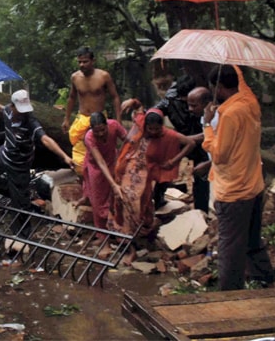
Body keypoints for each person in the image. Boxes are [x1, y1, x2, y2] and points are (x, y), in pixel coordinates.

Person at [202, 65, 275, 291]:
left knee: (230, 249)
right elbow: (239, 80)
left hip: (234, 191)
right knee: (252, 240)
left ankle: (229, 294)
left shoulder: (231, 114)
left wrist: (207, 125)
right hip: (253, 185)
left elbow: (220, 155)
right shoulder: (250, 102)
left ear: (219, 87)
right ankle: (264, 279)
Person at [110, 100, 195, 264]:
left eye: (157, 129)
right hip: (126, 168)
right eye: (151, 129)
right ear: (146, 126)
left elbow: (190, 143)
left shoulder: (168, 135)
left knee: (138, 204)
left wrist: (173, 161)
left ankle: (136, 238)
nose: (154, 132)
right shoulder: (141, 123)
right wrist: (132, 102)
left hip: (145, 174)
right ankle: (127, 242)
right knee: (122, 200)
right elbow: (138, 108)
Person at [0, 89, 75, 237]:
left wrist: (64, 156)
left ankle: (22, 237)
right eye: (20, 109)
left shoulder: (31, 121)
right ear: (12, 106)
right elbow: (0, 107)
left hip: (20, 165)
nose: (23, 112)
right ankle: (18, 195)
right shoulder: (8, 110)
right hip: (4, 154)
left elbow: (45, 139)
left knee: (20, 207)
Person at [153, 74, 211, 213]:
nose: (189, 108)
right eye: (185, 102)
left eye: (192, 104)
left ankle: (201, 210)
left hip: (201, 140)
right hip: (180, 137)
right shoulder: (171, 98)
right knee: (166, 166)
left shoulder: (206, 101)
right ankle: (158, 200)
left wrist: (193, 139)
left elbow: (212, 130)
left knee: (201, 174)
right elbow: (155, 112)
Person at [62, 47, 121, 177]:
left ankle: (104, 182)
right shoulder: (75, 77)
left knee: (102, 151)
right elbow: (72, 97)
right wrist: (66, 119)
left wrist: (118, 121)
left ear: (93, 61)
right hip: (82, 118)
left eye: (85, 61)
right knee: (79, 159)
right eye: (80, 62)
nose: (82, 65)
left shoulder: (103, 76)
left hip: (99, 119)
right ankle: (85, 185)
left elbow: (115, 97)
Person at [82, 112, 127, 238]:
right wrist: (113, 184)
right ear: (92, 129)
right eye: (97, 132)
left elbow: (128, 140)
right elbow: (100, 162)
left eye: (103, 130)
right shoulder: (89, 137)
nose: (101, 134)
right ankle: (102, 235)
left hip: (113, 161)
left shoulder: (114, 125)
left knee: (115, 198)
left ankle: (116, 229)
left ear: (107, 124)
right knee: (98, 201)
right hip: (96, 167)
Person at [186, 86, 215, 214]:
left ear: (206, 104)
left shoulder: (217, 118)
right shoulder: (205, 117)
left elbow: (225, 148)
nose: (190, 109)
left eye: (194, 105)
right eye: (189, 105)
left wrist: (210, 164)